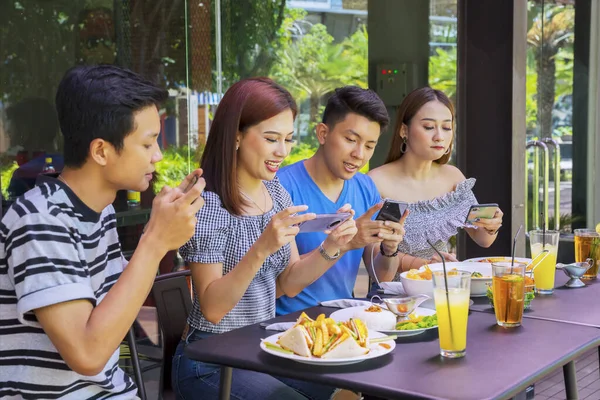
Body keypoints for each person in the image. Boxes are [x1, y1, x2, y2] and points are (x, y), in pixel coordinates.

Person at [0, 64, 206, 399]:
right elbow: (88, 355)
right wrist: (154, 242)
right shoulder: (39, 219)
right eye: (148, 143)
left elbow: (114, 322)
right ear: (100, 151)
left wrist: (160, 233)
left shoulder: (100, 211)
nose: (159, 155)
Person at [173, 77, 358, 400]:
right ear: (236, 136)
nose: (282, 152)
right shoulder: (209, 203)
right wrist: (261, 249)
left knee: (349, 391)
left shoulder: (276, 193)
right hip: (211, 360)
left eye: (287, 139)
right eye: (272, 139)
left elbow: (289, 282)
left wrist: (333, 247)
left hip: (260, 350)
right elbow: (213, 308)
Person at [276, 86, 407, 316]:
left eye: (369, 146)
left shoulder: (365, 187)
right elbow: (287, 283)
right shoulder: (282, 188)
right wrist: (345, 242)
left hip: (346, 319)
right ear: (323, 134)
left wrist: (389, 249)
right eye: (350, 139)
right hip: (290, 325)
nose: (359, 154)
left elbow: (381, 277)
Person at [368, 87, 503, 282]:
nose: (439, 136)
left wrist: (491, 225)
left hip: (443, 291)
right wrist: (425, 266)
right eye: (429, 127)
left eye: (446, 127)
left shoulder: (453, 177)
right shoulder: (377, 183)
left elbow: (483, 240)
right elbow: (374, 259)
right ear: (404, 130)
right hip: (394, 299)